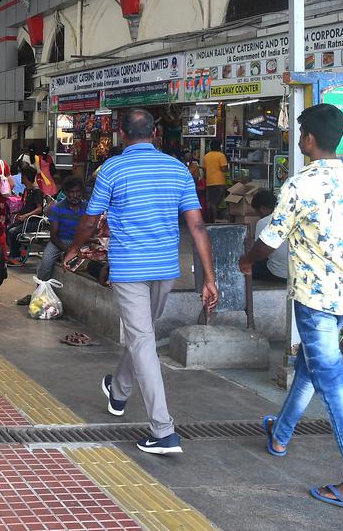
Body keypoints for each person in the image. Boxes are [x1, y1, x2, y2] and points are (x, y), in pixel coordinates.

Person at [239, 103, 343, 515]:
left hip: (313, 301)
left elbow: (270, 239)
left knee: (332, 385)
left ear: (309, 139)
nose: (298, 139)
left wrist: (247, 260)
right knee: (311, 370)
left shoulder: (299, 185)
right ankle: (280, 434)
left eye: (299, 133)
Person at [63, 109, 219, 456]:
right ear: (155, 133)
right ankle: (118, 389)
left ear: (121, 134)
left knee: (142, 339)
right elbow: (197, 226)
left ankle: (163, 431)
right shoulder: (178, 169)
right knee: (143, 335)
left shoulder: (113, 169)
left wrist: (74, 249)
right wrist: (209, 277)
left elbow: (90, 221)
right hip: (165, 268)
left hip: (130, 267)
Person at [6, 166, 44, 265]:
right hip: (24, 220)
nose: (21, 178)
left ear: (26, 177)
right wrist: (17, 212)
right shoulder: (27, 191)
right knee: (8, 229)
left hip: (33, 222)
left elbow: (39, 209)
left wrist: (25, 215)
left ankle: (16, 256)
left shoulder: (37, 191)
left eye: (22, 176)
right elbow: (26, 206)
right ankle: (15, 253)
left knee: (13, 232)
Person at [249, 190, 288, 283]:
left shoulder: (263, 222)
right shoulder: (290, 216)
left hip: (278, 274)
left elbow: (259, 253)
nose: (258, 215)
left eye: (257, 212)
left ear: (262, 208)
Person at [202, 143, 229, 221]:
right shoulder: (221, 155)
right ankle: (214, 219)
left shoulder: (206, 156)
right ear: (219, 147)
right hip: (219, 181)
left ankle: (208, 218)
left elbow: (204, 169)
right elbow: (223, 168)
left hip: (209, 182)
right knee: (216, 202)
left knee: (209, 201)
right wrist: (227, 168)